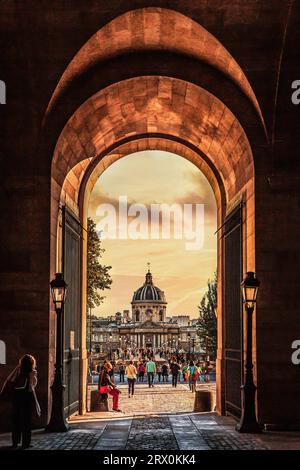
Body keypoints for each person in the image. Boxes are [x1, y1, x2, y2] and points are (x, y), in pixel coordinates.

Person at [1, 354, 41, 449]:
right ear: (32, 363)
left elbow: (9, 379)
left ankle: (15, 442)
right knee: (27, 421)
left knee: (16, 420)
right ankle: (25, 443)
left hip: (17, 397)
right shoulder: (32, 372)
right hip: (27, 397)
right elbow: (33, 385)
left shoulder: (17, 370)